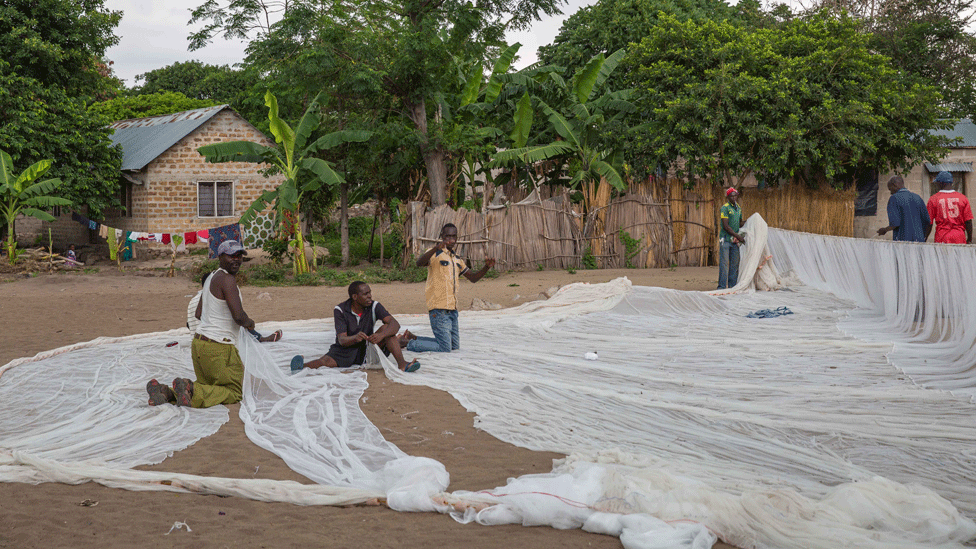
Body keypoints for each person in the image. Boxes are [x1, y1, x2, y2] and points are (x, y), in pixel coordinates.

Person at [147, 240, 258, 407]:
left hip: (199, 345)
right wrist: (250, 324)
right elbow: (239, 316)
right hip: (218, 347)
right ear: (220, 257)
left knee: (209, 387)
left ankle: (167, 392)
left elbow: (198, 314)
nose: (236, 260)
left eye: (239, 256)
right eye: (231, 255)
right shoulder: (227, 280)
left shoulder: (210, 278)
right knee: (234, 391)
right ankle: (190, 388)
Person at [290, 281, 420, 372]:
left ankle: (402, 365)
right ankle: (301, 366)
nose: (369, 296)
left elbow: (395, 324)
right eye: (365, 294)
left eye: (370, 292)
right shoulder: (340, 310)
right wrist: (355, 338)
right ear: (355, 297)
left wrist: (381, 335)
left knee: (388, 330)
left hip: (368, 348)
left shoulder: (374, 306)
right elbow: (342, 340)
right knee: (324, 361)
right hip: (346, 351)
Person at [406, 223, 495, 353]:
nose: (451, 240)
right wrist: (435, 248)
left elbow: (473, 278)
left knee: (453, 347)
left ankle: (413, 338)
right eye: (448, 236)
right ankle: (408, 343)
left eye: (454, 236)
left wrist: (486, 267)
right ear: (442, 236)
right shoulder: (434, 254)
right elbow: (419, 263)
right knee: (444, 347)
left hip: (452, 311)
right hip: (438, 309)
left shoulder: (457, 259)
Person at [187, 271, 281, 342]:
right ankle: (260, 338)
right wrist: (249, 323)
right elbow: (238, 317)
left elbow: (195, 317)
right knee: (239, 319)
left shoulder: (194, 300)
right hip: (215, 339)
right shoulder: (213, 295)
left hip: (195, 340)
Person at [877, 175, 930, 242]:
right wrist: (924, 237)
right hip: (919, 241)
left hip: (902, 242)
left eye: (890, 189)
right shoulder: (917, 197)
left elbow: (895, 224)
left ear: (895, 185)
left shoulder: (894, 198)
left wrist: (884, 230)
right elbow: (927, 221)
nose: (891, 193)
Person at [925, 171, 973, 244]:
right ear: (951, 182)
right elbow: (968, 221)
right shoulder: (963, 198)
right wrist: (969, 238)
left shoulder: (933, 199)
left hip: (941, 237)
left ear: (940, 183)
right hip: (959, 236)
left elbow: (929, 223)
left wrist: (924, 238)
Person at [718, 187, 745, 290]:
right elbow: (726, 226)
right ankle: (721, 287)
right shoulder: (725, 208)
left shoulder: (738, 208)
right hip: (725, 239)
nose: (734, 197)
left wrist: (750, 221)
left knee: (734, 264)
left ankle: (732, 287)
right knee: (724, 264)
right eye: (731, 196)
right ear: (728, 197)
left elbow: (740, 223)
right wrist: (738, 236)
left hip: (735, 241)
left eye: (735, 195)